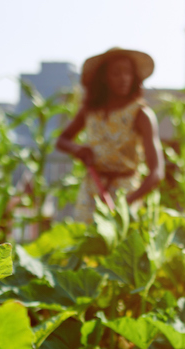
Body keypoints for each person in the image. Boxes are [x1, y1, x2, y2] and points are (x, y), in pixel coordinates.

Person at [55, 47, 164, 222]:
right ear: (104, 78)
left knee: (120, 246)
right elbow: (62, 140)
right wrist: (78, 150)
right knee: (85, 244)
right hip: (92, 190)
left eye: (128, 73)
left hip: (126, 193)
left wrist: (129, 201)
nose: (124, 78)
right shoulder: (90, 111)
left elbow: (156, 173)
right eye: (116, 73)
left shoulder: (141, 114)